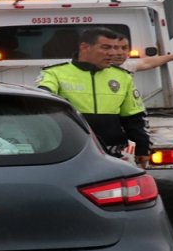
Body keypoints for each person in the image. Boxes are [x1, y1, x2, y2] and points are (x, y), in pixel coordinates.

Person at [36, 27, 152, 167]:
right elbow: (43, 97)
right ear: (84, 47)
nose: (113, 53)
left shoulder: (123, 76)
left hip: (112, 150)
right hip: (70, 149)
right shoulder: (54, 73)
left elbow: (134, 117)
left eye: (115, 48)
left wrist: (142, 148)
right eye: (106, 47)